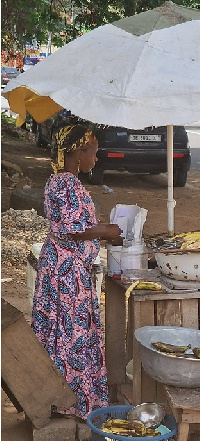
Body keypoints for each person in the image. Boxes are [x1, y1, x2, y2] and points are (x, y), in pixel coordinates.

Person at [31, 124, 123, 421]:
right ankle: (71, 402)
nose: (96, 159)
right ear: (79, 152)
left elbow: (73, 226)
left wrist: (101, 233)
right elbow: (75, 230)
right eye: (94, 152)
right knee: (72, 334)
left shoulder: (58, 181)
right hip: (66, 271)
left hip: (61, 267)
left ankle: (59, 398)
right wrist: (107, 231)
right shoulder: (66, 183)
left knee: (59, 332)